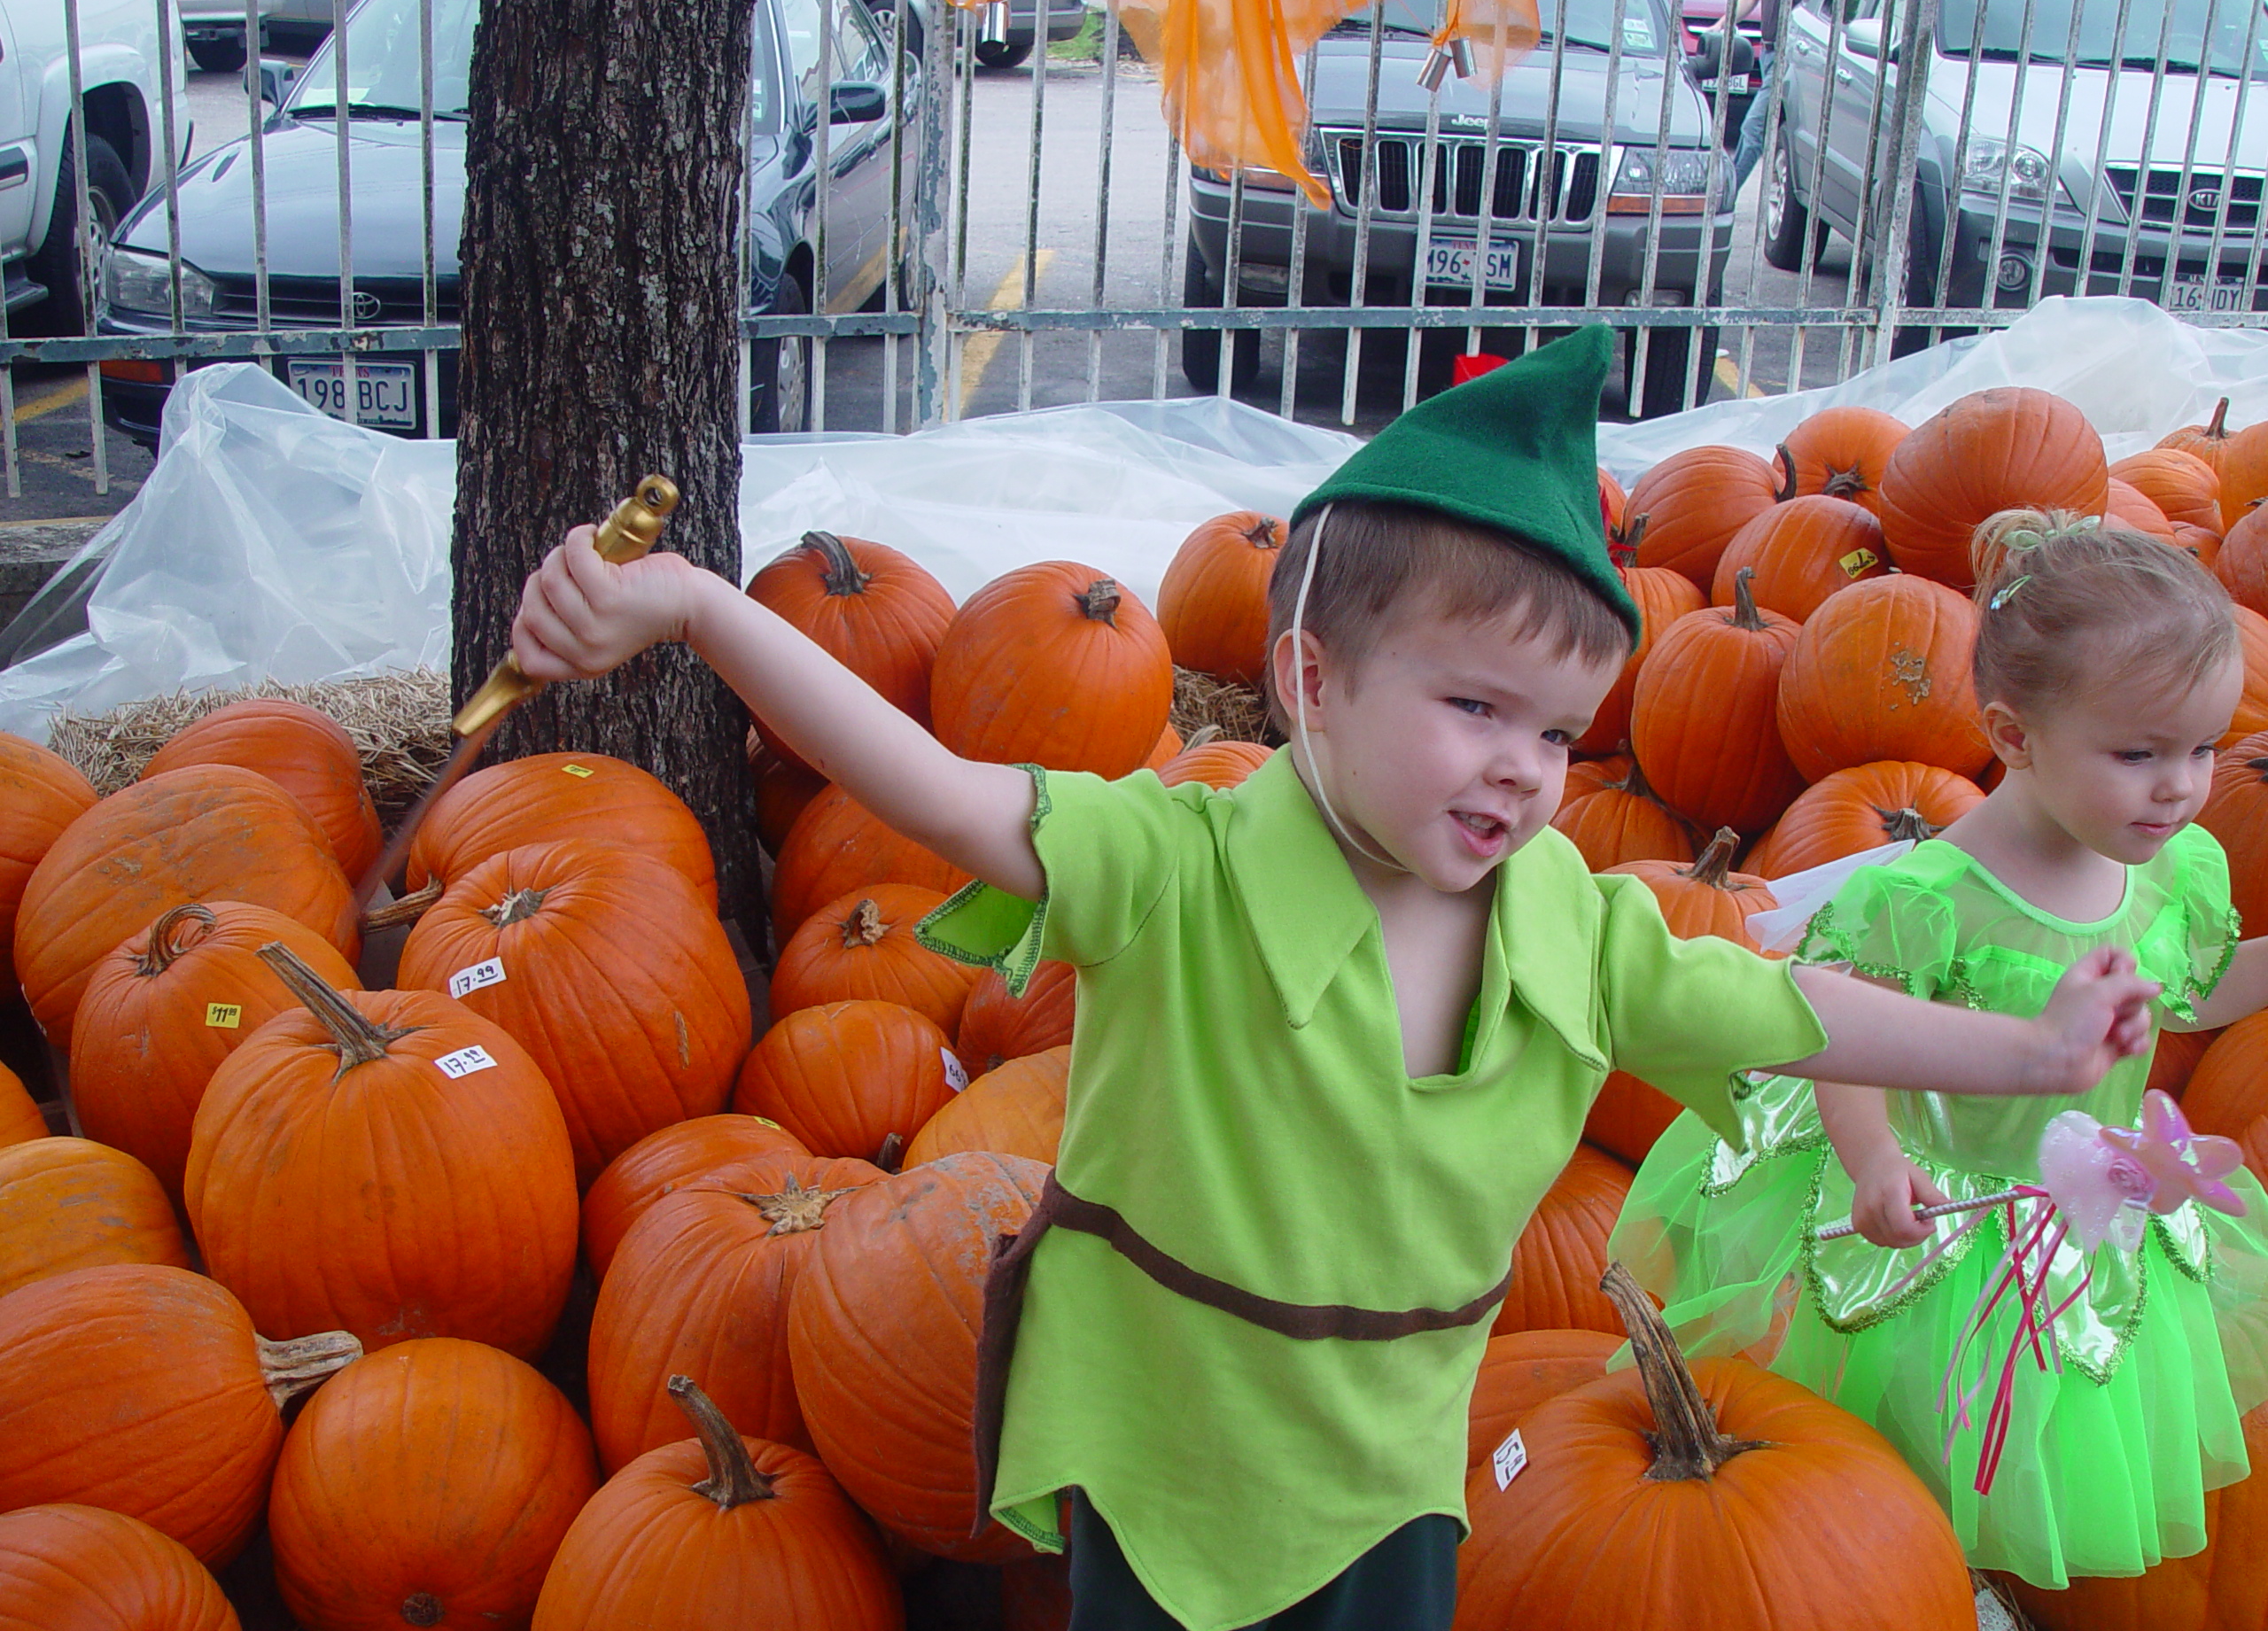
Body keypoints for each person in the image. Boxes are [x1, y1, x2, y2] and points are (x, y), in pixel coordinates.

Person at [504, 330, 2158, 1631]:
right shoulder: (1188, 871)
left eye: (1558, 728)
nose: (1522, 769)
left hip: (1386, 1485)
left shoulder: (1566, 920)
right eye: (1473, 707)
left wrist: (2025, 1045)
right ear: (1306, 678)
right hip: (1168, 1463)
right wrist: (702, 608)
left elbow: (1788, 1011)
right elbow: (934, 784)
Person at [1611, 509, 2268, 1591]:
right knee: (1903, 1429)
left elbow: (2188, 998)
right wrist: (1872, 1158)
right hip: (1935, 1211)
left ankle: (1956, 1585)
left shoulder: (2167, 867)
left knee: (2022, 1434)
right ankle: (1885, 1583)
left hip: (2071, 1219)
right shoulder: (1925, 898)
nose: (2180, 787)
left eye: (2202, 750)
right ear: (2013, 739)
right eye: (2139, 754)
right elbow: (1840, 1040)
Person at [1729, 0, 1831, 196]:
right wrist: (1722, 25)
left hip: (1790, 58)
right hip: (1767, 53)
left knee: (1753, 129)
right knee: (1768, 130)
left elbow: (1821, 10)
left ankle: (1724, 196)